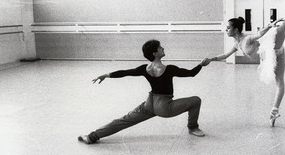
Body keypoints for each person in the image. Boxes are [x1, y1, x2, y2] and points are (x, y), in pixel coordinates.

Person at [78, 39, 211, 144]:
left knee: (124, 120)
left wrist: (106, 75)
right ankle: (193, 127)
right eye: (160, 47)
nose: (163, 48)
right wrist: (201, 64)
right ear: (155, 53)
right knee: (196, 100)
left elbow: (125, 73)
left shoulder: (144, 68)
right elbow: (191, 73)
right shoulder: (169, 69)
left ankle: (92, 136)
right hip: (164, 106)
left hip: (150, 102)